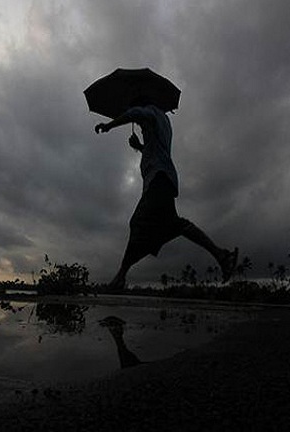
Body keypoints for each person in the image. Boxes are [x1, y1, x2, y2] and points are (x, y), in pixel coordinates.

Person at [95, 97, 238, 290]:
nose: (135, 121)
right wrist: (139, 147)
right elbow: (157, 149)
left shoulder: (150, 111)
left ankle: (120, 276)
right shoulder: (162, 120)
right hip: (163, 179)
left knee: (139, 223)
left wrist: (110, 125)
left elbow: (136, 113)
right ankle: (221, 255)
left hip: (159, 179)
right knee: (172, 225)